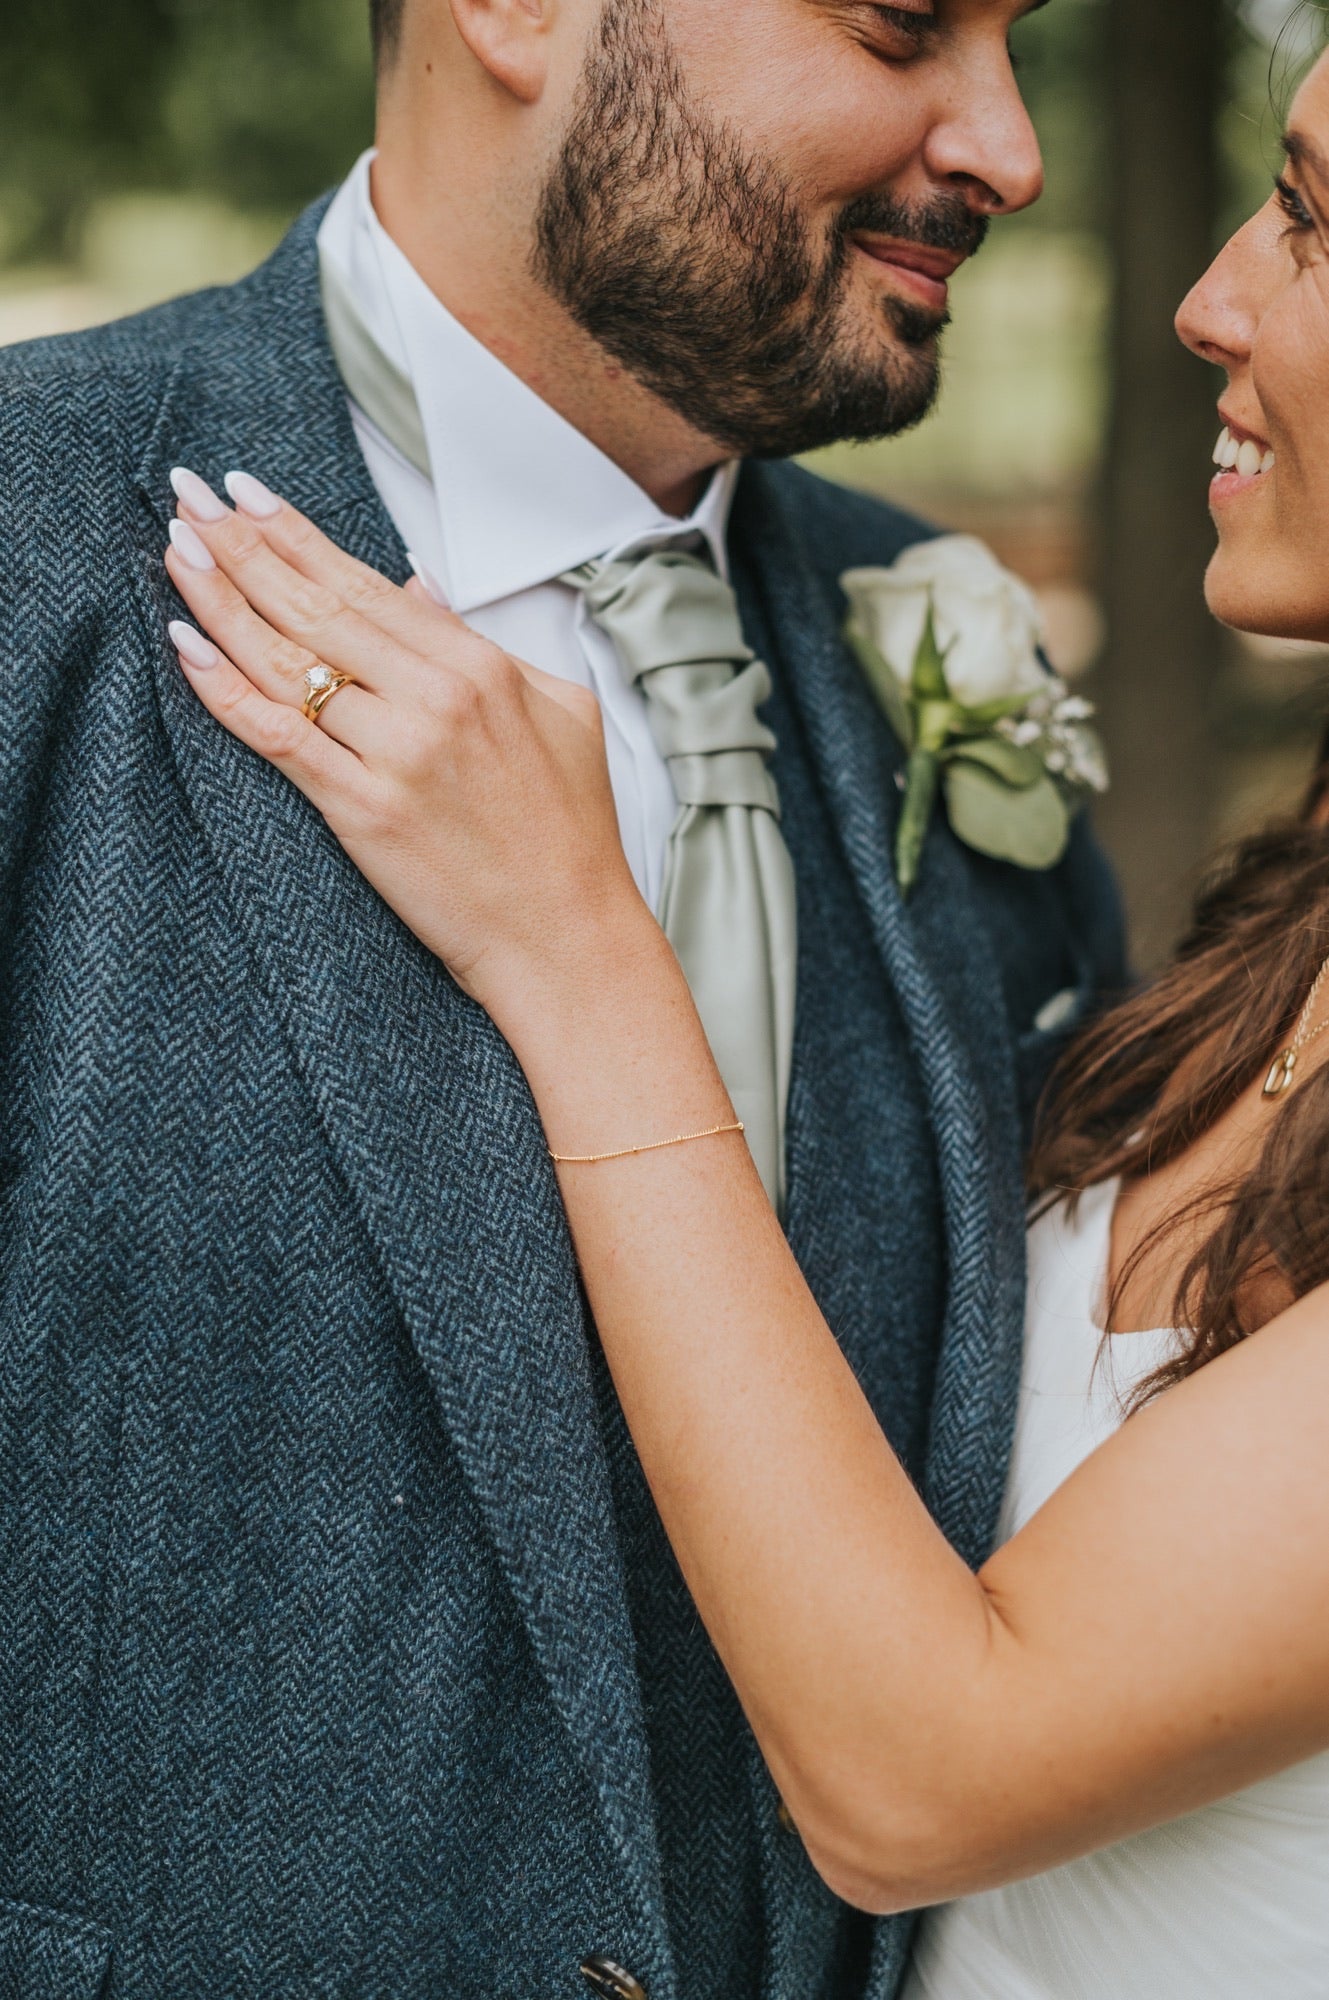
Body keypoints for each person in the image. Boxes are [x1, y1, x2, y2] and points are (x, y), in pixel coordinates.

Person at [162, 34, 1329, 2000]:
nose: (1022, 156)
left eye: (1303, 223)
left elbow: (924, 1770)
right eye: (899, 21)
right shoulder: (1261, 934)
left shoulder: (904, 643)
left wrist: (575, 944)